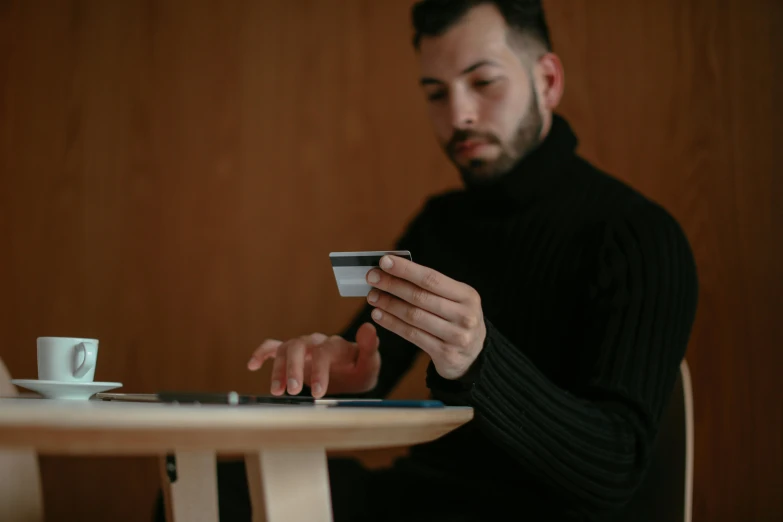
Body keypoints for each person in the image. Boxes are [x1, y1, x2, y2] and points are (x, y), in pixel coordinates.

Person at [154, 1, 699, 521]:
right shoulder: (441, 224)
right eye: (436, 93)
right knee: (211, 496)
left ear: (547, 81)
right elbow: (368, 365)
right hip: (424, 496)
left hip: (545, 512)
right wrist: (339, 376)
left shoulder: (637, 236)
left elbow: (616, 469)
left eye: (483, 83)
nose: (458, 114)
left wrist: (480, 359)